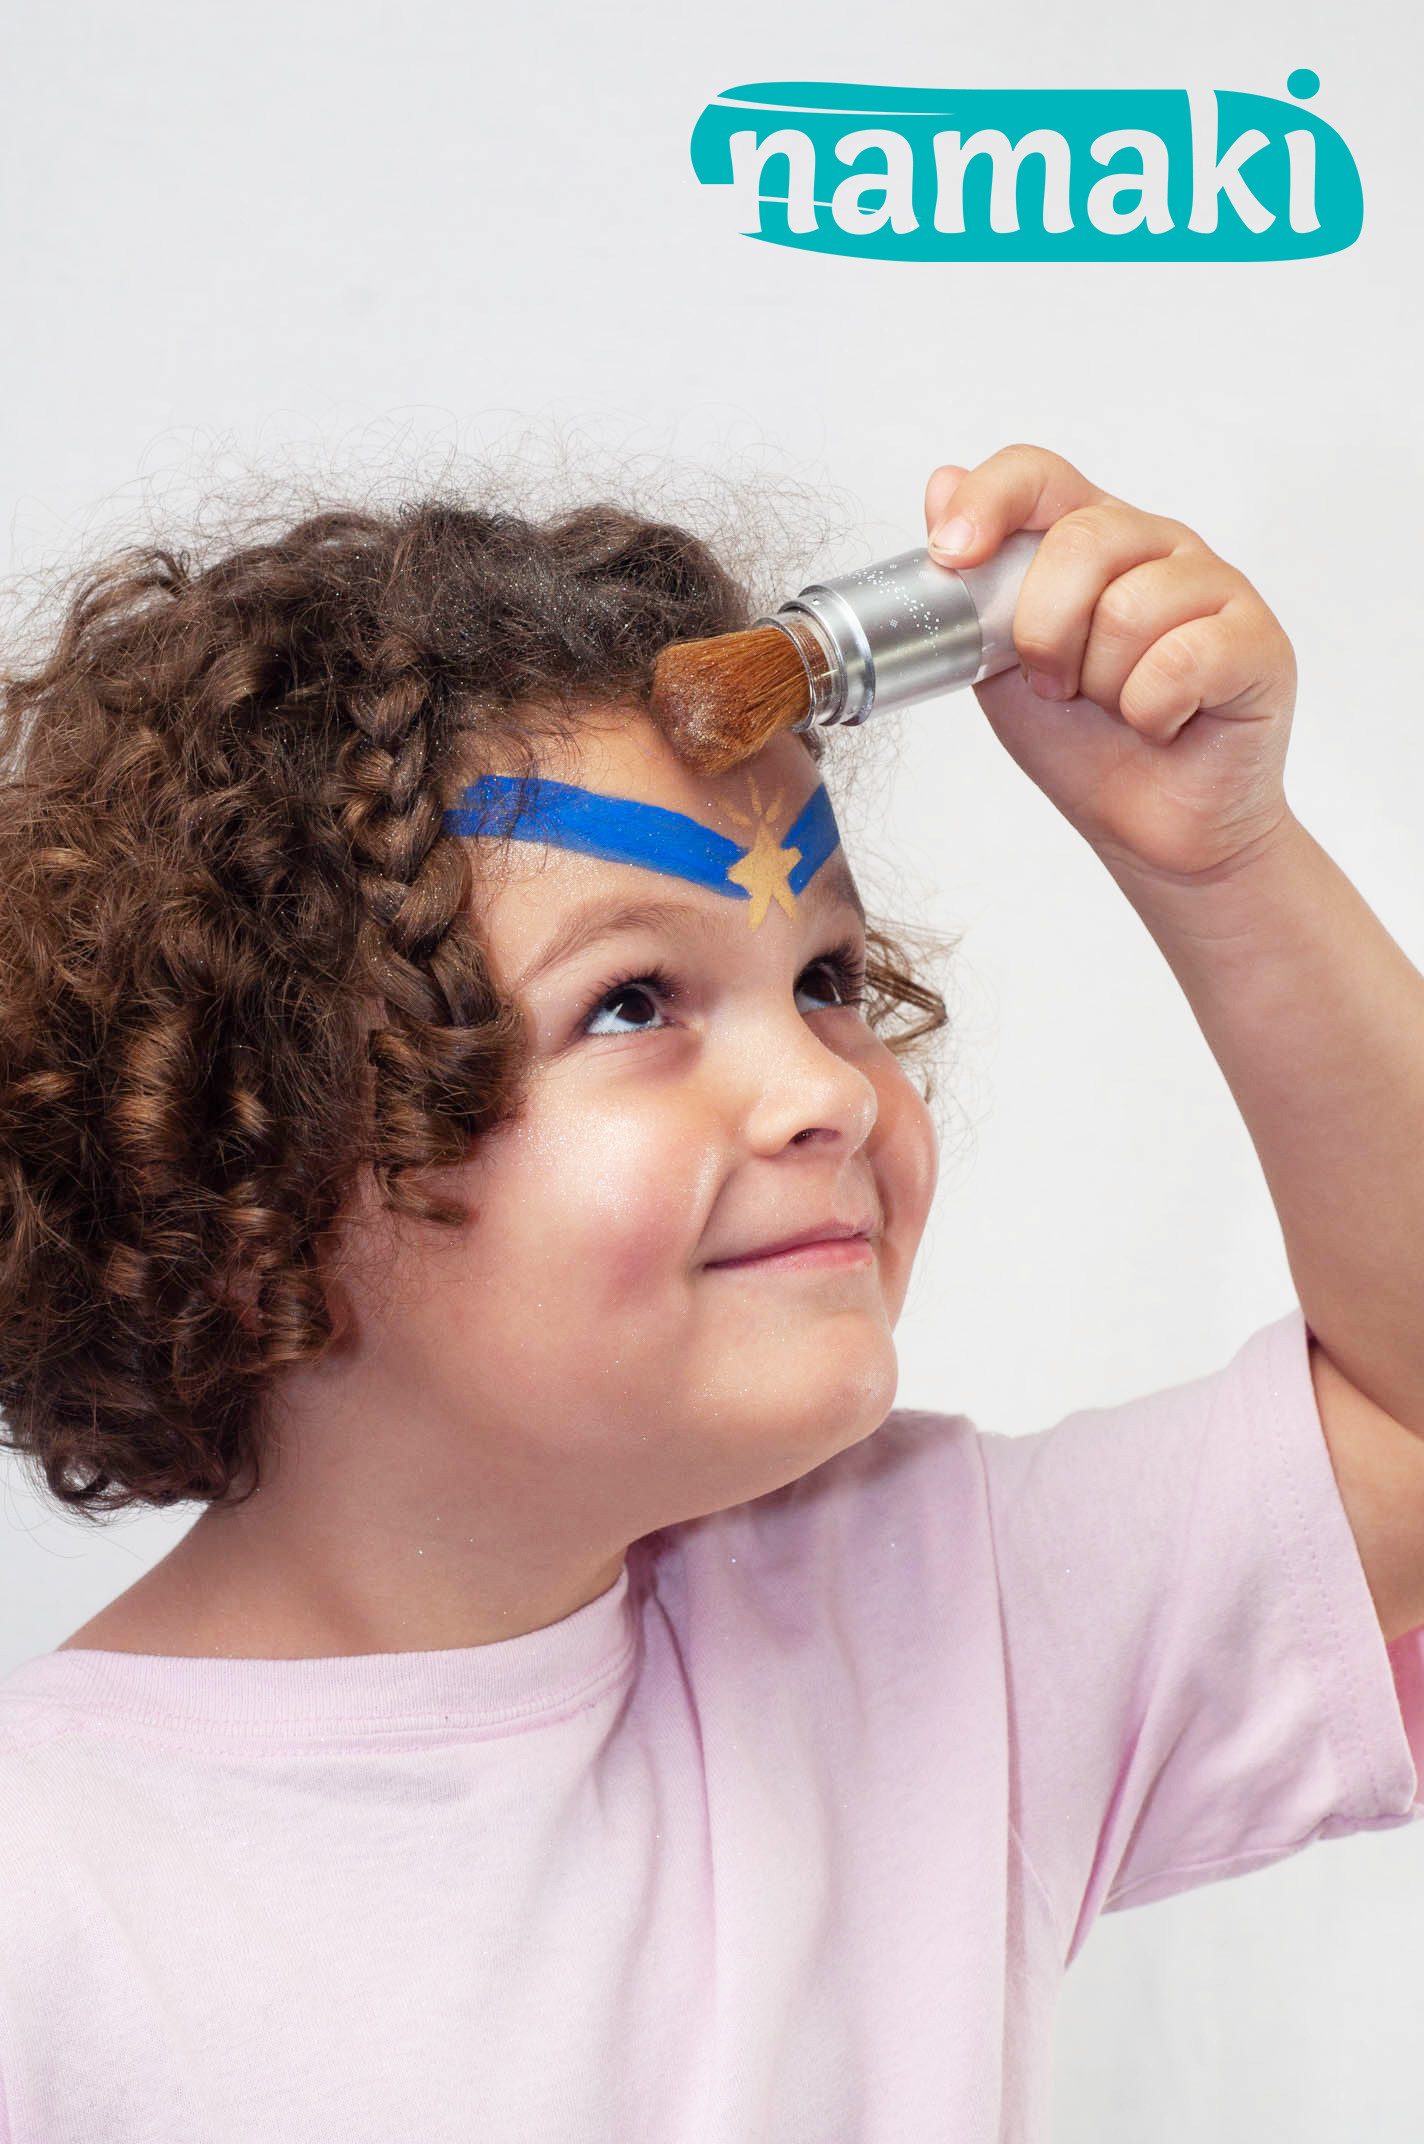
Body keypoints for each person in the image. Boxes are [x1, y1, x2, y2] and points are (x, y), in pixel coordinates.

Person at [0, 442, 1421, 2142]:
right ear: (256, 1166)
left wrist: (1222, 863)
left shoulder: (918, 1613)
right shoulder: (52, 1899)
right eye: (632, 1003)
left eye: (825, 978)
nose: (827, 1087)